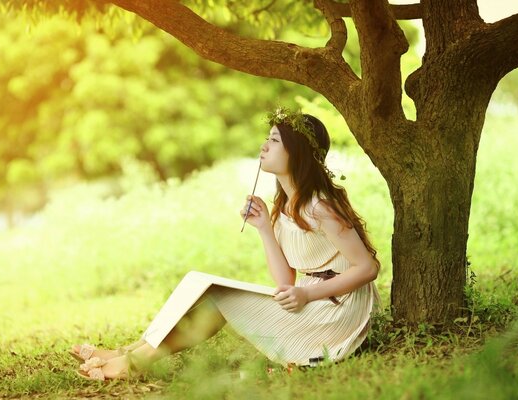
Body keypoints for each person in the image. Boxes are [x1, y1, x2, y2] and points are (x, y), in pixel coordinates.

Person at [72, 106, 381, 380]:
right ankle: (127, 352)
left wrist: (306, 293)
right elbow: (285, 280)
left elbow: (367, 268)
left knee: (219, 297)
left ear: (296, 152)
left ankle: (135, 363)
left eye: (274, 141)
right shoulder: (287, 204)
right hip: (311, 298)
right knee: (198, 282)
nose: (264, 146)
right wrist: (263, 228)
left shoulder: (320, 207)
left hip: (334, 310)